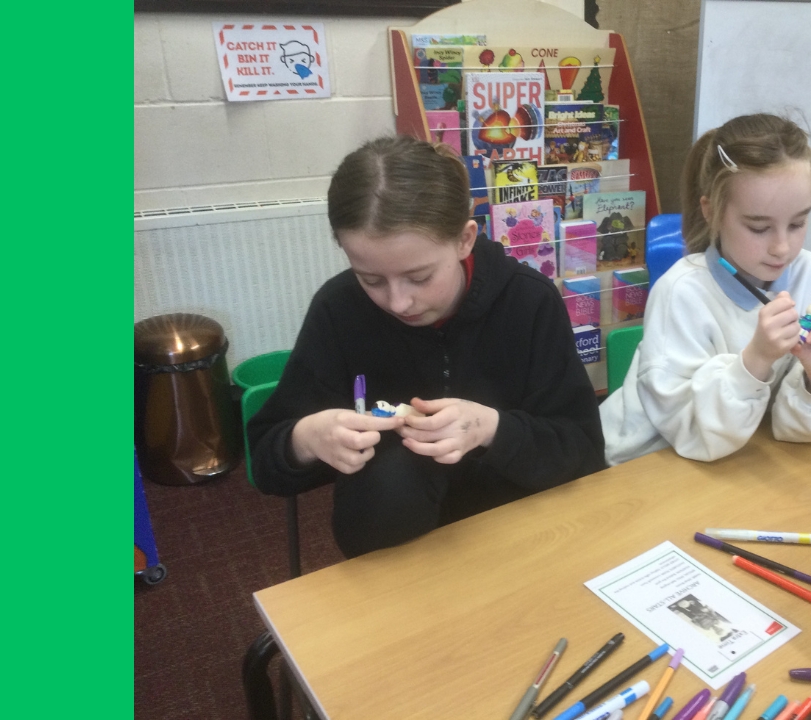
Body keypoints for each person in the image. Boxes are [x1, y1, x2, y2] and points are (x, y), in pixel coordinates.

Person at [248, 135, 605, 558]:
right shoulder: (338, 310)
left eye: (419, 278)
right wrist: (306, 439)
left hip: (522, 536)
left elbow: (581, 451)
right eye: (371, 279)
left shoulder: (529, 302)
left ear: (465, 239)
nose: (398, 302)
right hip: (393, 545)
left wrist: (490, 428)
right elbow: (267, 464)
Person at [601, 114, 811, 465]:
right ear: (712, 211)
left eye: (797, 223)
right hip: (649, 459)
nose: (782, 247)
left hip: (741, 454)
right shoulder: (681, 291)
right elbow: (691, 436)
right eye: (758, 227)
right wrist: (755, 361)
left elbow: (793, 430)